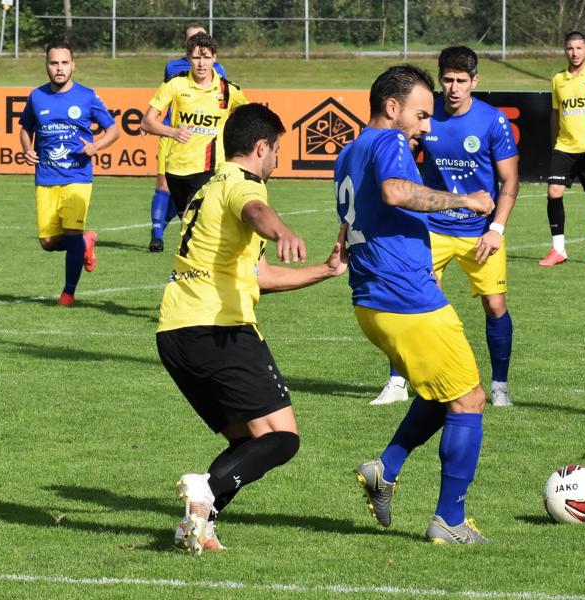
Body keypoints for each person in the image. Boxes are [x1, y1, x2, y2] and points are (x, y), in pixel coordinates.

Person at [158, 103, 347, 555]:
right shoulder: (242, 185)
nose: (277, 160)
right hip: (217, 326)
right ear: (261, 147)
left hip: (176, 331)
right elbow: (257, 210)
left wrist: (325, 270)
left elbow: (259, 275)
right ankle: (205, 489)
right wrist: (282, 229)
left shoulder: (207, 190)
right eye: (276, 150)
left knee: (247, 440)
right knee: (282, 439)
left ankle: (197, 525)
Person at [335, 65, 495, 544]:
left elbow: (352, 216)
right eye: (422, 114)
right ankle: (450, 520)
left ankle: (386, 469)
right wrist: (465, 200)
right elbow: (395, 191)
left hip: (371, 299)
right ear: (392, 108)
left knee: (438, 391)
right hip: (404, 295)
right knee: (469, 399)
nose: (428, 125)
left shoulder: (348, 151)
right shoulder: (388, 143)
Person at [371, 46, 519, 408]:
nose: (453, 88)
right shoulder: (425, 116)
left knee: (495, 305)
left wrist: (496, 229)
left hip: (479, 232)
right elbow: (399, 162)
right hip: (431, 229)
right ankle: (396, 382)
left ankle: (499, 385)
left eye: (461, 81)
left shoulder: (492, 120)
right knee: (409, 298)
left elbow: (510, 182)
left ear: (475, 81)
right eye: (448, 80)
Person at [18, 41, 120, 307]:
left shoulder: (87, 96)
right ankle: (86, 241)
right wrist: (28, 149)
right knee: (48, 242)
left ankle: (68, 293)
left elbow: (113, 130)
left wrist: (96, 145)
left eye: (64, 63)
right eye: (54, 63)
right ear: (47, 66)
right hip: (46, 177)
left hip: (78, 177)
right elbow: (25, 129)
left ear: (73, 65)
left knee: (71, 233)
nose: (59, 68)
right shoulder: (36, 97)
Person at [141, 31, 247, 245]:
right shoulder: (175, 84)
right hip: (177, 170)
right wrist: (173, 132)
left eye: (206, 57)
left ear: (214, 58)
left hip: (210, 169)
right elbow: (146, 122)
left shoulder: (228, 90)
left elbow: (248, 119)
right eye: (197, 57)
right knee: (191, 228)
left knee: (205, 228)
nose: (201, 63)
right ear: (189, 58)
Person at [539, 30, 585, 267]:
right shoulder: (557, 79)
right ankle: (558, 250)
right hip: (564, 147)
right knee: (553, 192)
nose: (574, 53)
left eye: (579, 48)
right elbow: (555, 114)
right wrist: (554, 145)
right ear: (565, 50)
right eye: (570, 48)